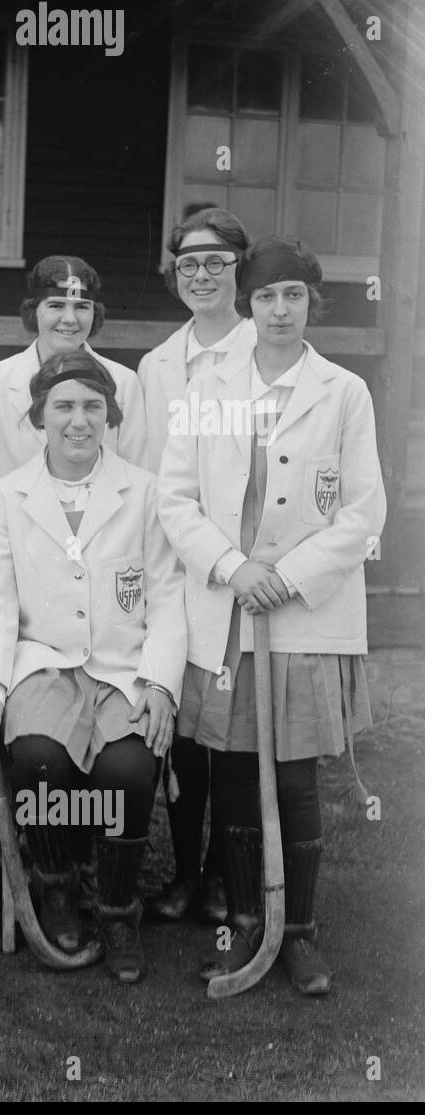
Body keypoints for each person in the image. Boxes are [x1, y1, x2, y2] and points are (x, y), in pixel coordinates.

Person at [159, 236, 386, 996]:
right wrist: (234, 568)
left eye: (293, 296)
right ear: (246, 306)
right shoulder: (209, 391)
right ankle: (247, 923)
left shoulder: (343, 392)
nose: (279, 311)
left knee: (293, 777)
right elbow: (176, 501)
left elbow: (362, 512)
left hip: (301, 613)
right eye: (265, 298)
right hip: (228, 611)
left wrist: (284, 577)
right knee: (230, 771)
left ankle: (300, 932)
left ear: (309, 304)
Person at [0, 350, 186, 983]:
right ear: (39, 417)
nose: (78, 420)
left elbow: (169, 598)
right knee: (37, 760)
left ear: (111, 416)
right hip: (44, 665)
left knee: (128, 770)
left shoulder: (144, 492)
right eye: (63, 406)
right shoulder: (6, 497)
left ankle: (116, 906)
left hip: (124, 668)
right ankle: (57, 886)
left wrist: (163, 684)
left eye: (92, 406)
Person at [138, 206, 256, 926]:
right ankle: (183, 873)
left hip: (238, 574)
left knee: (232, 738)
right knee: (183, 738)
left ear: (240, 270)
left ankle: (222, 875)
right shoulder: (157, 365)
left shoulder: (259, 356)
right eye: (188, 263)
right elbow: (151, 475)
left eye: (217, 262)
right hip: (173, 574)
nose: (202, 275)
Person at [0, 255, 146, 484]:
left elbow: (135, 476)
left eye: (82, 307)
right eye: (56, 305)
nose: (70, 319)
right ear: (34, 309)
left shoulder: (123, 382)